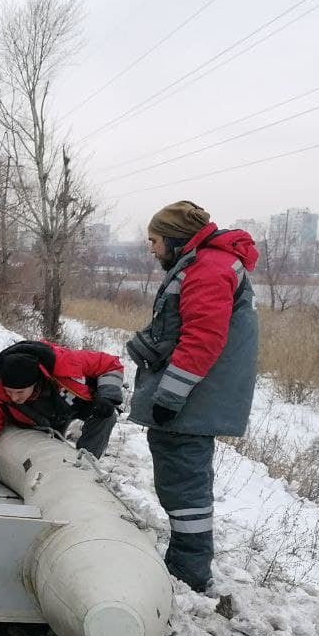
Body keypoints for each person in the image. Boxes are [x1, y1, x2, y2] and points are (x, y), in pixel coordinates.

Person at [126, 200, 259, 593]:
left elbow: (202, 339)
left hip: (196, 399)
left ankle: (189, 571)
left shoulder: (208, 269)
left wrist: (169, 397)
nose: (151, 249)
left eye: (153, 241)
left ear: (173, 239)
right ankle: (185, 561)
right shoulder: (201, 265)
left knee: (184, 479)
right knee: (179, 475)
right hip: (198, 395)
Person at [0, 340, 124, 500]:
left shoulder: (64, 361)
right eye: (9, 391)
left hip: (69, 402)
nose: (13, 397)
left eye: (19, 392)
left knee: (107, 416)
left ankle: (86, 466)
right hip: (35, 419)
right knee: (51, 454)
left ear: (35, 382)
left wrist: (108, 396)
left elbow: (110, 364)